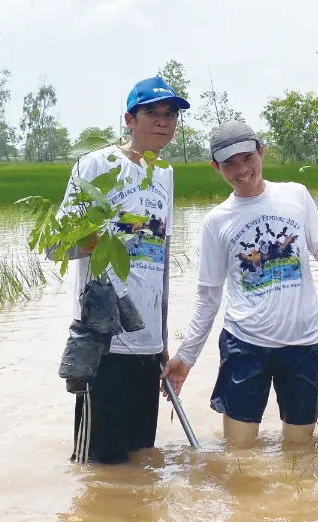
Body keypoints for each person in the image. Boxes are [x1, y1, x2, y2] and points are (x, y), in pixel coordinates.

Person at [163, 120, 318, 447]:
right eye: (229, 163)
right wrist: (186, 358)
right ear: (216, 167)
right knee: (238, 454)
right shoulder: (216, 221)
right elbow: (208, 297)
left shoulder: (296, 195)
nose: (241, 170)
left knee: (300, 453)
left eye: (247, 158)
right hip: (244, 344)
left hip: (304, 342)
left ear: (261, 152)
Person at [62, 76, 188, 465]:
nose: (163, 121)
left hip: (147, 344)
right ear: (129, 119)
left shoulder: (164, 174)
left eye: (171, 115)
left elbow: (161, 262)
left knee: (140, 462)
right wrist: (98, 239)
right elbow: (58, 243)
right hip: (105, 342)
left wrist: (162, 338)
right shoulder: (96, 163)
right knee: (98, 468)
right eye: (152, 112)